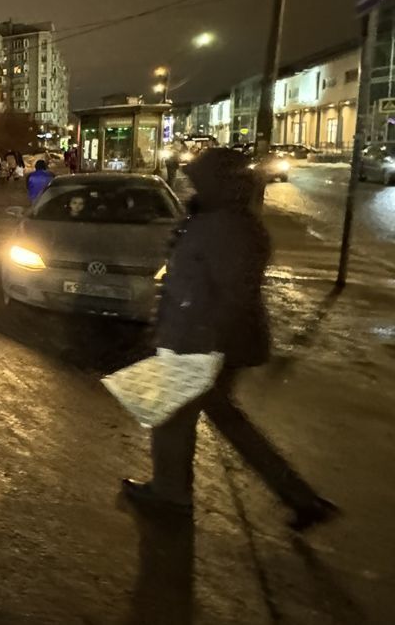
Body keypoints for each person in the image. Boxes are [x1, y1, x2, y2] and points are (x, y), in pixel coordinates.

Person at [121, 149, 338, 531]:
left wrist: (198, 343)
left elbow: (231, 294)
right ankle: (301, 499)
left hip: (203, 342)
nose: (193, 184)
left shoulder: (226, 227)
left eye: (200, 179)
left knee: (173, 417)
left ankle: (171, 494)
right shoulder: (214, 219)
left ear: (221, 184)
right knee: (227, 420)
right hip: (203, 339)